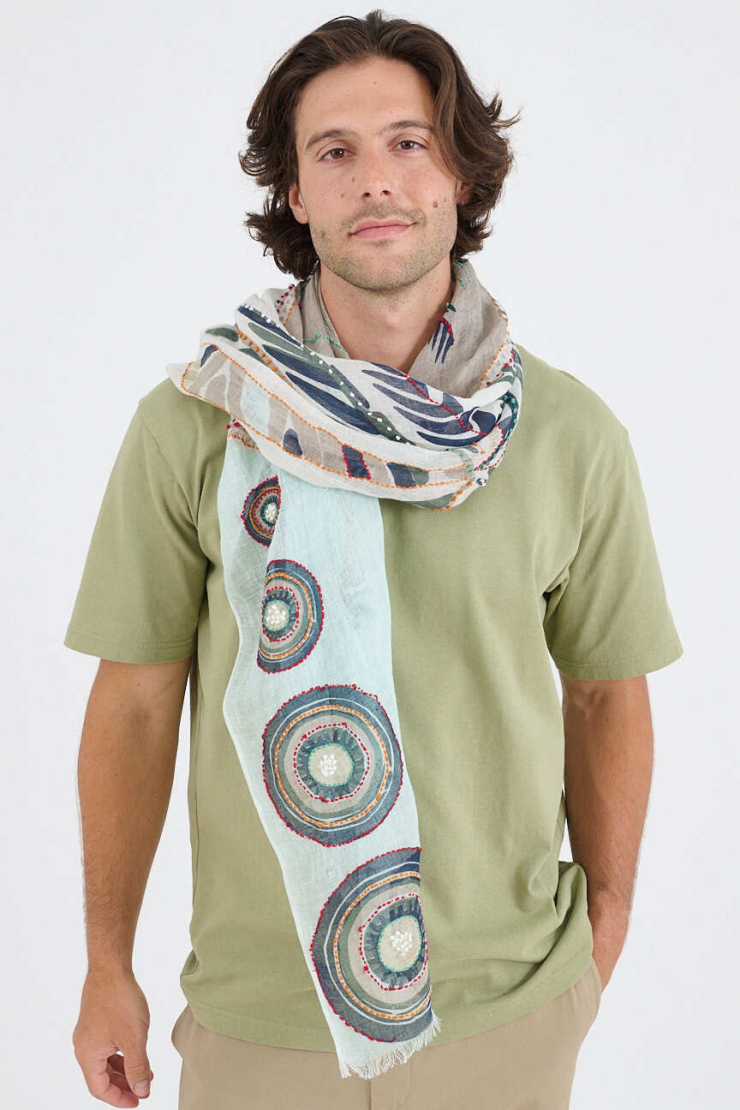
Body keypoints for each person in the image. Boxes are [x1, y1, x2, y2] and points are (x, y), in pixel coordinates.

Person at [65, 10, 683, 1109]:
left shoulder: (567, 435)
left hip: (506, 1010)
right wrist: (106, 962)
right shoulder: (199, 421)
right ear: (296, 193)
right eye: (334, 152)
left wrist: (606, 930)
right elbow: (135, 704)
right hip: (263, 1017)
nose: (376, 180)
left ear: (460, 174)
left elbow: (604, 693)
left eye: (409, 142)